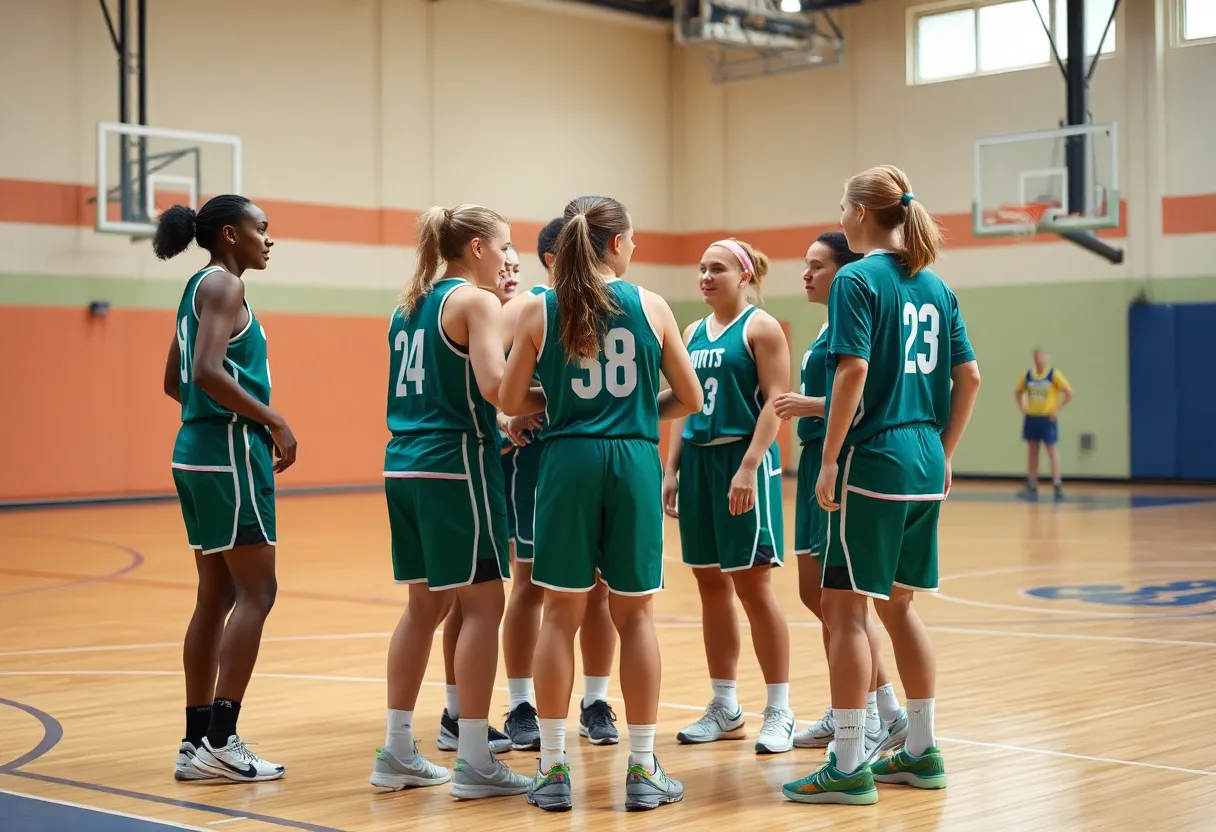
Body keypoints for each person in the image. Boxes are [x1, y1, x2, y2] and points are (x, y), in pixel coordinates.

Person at [782, 166, 981, 805]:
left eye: (842, 205)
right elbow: (969, 378)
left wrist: (833, 457)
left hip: (876, 458)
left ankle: (847, 762)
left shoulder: (858, 279)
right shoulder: (936, 285)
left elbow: (854, 371)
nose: (839, 214)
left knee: (844, 609)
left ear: (862, 215)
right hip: (925, 458)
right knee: (899, 606)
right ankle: (921, 752)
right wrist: (944, 452)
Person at [499, 195, 702, 812]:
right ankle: (642, 770)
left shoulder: (540, 307)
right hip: (633, 460)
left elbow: (510, 398)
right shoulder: (653, 305)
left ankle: (554, 769)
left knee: (560, 612)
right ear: (616, 243)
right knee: (634, 615)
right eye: (633, 238)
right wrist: (640, 410)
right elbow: (689, 397)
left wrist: (558, 399)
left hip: (567, 461)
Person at [371, 204, 530, 800]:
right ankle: (473, 760)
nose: (509, 258)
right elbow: (495, 387)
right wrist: (566, 396)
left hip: (403, 463)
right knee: (486, 605)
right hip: (456, 464)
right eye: (504, 246)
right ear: (477, 249)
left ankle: (396, 750)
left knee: (424, 607)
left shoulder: (408, 305)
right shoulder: (475, 301)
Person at [156, 195, 295, 783]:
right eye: (261, 229)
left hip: (195, 453)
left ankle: (195, 744)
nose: (270, 238)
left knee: (214, 597)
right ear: (231, 234)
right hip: (229, 454)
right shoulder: (225, 287)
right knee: (258, 594)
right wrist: (271, 419)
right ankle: (222, 737)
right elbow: (206, 373)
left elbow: (174, 381)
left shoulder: (197, 287)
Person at [773, 232, 909, 758]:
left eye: (816, 265)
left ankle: (876, 714)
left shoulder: (859, 316)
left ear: (845, 270)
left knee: (843, 602)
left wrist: (810, 406)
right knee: (817, 595)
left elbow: (865, 390)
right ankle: (862, 708)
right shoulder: (830, 323)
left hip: (843, 462)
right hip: (812, 464)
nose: (806, 274)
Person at [661, 239, 796, 754]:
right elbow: (685, 404)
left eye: (716, 268)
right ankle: (726, 705)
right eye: (701, 268)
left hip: (744, 462)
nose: (705, 276)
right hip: (697, 462)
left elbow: (777, 403)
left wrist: (748, 467)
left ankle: (779, 709)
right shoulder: (693, 332)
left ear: (744, 276)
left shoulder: (760, 327)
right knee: (710, 587)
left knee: (754, 588)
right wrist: (671, 469)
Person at [498, 219, 621, 753]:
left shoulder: (618, 304)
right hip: (540, 460)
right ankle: (521, 702)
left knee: (600, 590)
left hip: (598, 463)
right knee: (529, 585)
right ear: (554, 257)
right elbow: (488, 382)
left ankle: (596, 700)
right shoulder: (527, 307)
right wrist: (505, 420)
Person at [433, 242, 527, 757]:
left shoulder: (448, 306)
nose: (509, 273)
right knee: (475, 598)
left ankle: (472, 713)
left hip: (493, 465)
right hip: (471, 464)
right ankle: (462, 717)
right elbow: (486, 392)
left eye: (517, 267)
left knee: (466, 597)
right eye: (504, 263)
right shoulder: (477, 310)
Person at [1016, 348, 1072, 500]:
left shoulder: (1053, 375)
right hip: (1032, 418)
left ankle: (1057, 484)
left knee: (1051, 450)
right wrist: (1022, 407)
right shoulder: (1028, 376)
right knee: (1032, 451)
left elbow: (1068, 392)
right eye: (1036, 357)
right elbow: (1018, 391)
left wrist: (1058, 409)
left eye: (1041, 357)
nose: (1039, 360)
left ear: (1046, 358)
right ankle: (1032, 484)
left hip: (1047, 419)